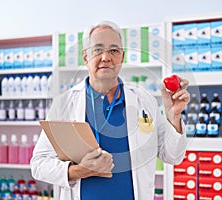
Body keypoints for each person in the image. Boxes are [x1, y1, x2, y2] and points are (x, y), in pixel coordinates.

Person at [30, 21, 190, 200]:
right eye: (97, 49)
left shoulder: (143, 100)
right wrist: (79, 171)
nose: (106, 57)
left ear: (122, 57)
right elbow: (39, 165)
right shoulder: (64, 104)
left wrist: (174, 116)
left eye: (114, 50)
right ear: (86, 57)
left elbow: (173, 156)